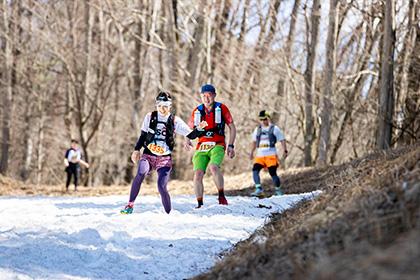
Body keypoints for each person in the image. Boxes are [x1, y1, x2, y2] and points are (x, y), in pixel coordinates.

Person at [121, 91, 207, 214]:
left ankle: (168, 213)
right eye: (160, 106)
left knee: (161, 186)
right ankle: (130, 205)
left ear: (170, 106)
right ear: (156, 105)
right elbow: (143, 135)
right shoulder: (150, 117)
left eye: (165, 106)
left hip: (164, 158)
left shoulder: (174, 120)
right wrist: (136, 150)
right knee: (141, 173)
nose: (163, 109)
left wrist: (200, 128)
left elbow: (191, 135)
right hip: (148, 154)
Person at [186, 84, 236, 208]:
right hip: (201, 146)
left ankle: (221, 195)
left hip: (217, 144)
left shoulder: (222, 108)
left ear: (214, 95)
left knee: (213, 167)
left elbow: (232, 127)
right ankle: (199, 203)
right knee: (197, 174)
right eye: (204, 96)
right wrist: (187, 140)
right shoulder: (197, 111)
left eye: (209, 96)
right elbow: (189, 129)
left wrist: (231, 145)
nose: (206, 98)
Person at [249, 110, 288, 196]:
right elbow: (254, 142)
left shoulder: (274, 128)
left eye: (265, 119)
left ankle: (278, 190)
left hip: (270, 154)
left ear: (268, 118)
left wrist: (285, 150)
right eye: (261, 119)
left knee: (272, 172)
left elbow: (282, 139)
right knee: (255, 170)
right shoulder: (257, 129)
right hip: (260, 154)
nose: (263, 121)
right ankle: (258, 188)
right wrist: (251, 152)